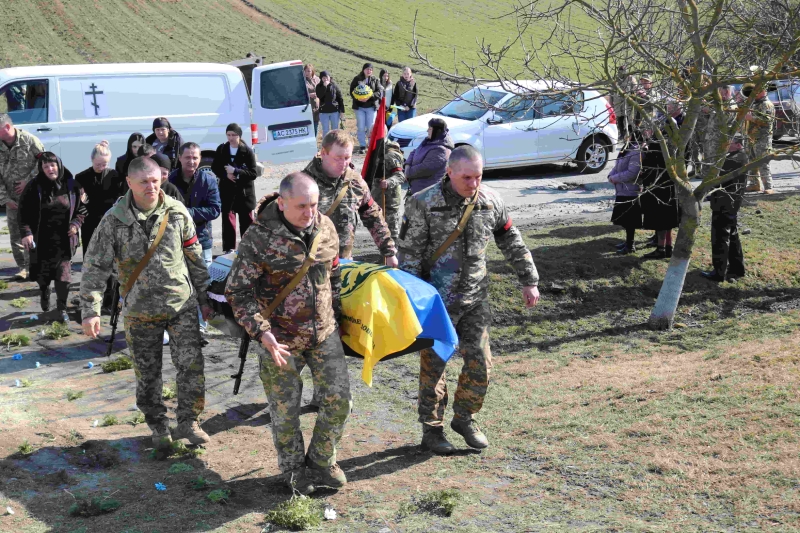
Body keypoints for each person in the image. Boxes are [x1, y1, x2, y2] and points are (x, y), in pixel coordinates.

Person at [398, 145, 540, 454]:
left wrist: (529, 280)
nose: (473, 184)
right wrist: (414, 304)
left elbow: (511, 239)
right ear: (449, 172)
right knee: (434, 367)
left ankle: (465, 418)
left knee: (481, 363)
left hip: (475, 299)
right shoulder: (422, 204)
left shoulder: (490, 202)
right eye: (466, 177)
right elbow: (408, 257)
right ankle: (432, 430)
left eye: (478, 177)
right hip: (435, 303)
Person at [225, 173, 350, 495]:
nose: (310, 213)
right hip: (279, 340)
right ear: (281, 204)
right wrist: (262, 333)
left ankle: (322, 461)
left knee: (339, 402)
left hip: (323, 334)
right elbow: (238, 292)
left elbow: (333, 276)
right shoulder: (259, 238)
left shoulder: (326, 228)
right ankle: (294, 471)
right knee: (285, 412)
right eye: (301, 206)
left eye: (314, 205)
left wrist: (336, 317)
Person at [81, 156, 213, 449]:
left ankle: (189, 423)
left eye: (155, 181)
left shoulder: (177, 213)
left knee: (191, 366)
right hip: (139, 311)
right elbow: (94, 268)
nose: (151, 187)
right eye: (144, 182)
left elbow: (196, 259)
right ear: (129, 183)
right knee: (147, 373)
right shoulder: (114, 220)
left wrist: (205, 299)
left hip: (181, 305)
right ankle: (158, 427)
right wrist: (90, 310)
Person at [302, 130, 397, 264]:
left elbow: (373, 215)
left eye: (347, 158)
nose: (343, 163)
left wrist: (389, 252)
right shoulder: (303, 183)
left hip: (344, 263)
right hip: (312, 266)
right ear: (323, 153)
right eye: (338, 158)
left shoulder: (355, 181)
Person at [19, 152, 86, 322]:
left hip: (64, 241)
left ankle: (61, 309)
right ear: (41, 169)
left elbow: (83, 209)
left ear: (59, 165)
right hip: (41, 241)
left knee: (64, 277)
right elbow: (23, 213)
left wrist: (75, 224)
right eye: (46, 166)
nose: (50, 168)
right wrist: (26, 233)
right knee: (43, 277)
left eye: (53, 165)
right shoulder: (34, 187)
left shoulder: (73, 185)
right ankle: (44, 292)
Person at [75, 142, 124, 311]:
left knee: (110, 260)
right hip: (89, 224)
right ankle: (90, 296)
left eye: (105, 164)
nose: (102, 167)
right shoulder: (81, 177)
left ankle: (109, 297)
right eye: (98, 164)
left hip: (109, 223)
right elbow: (80, 203)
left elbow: (118, 200)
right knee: (91, 259)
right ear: (91, 160)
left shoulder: (114, 176)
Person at [0, 113, 44, 280]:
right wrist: (5, 199)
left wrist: (28, 181)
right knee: (15, 234)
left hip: (32, 197)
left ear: (7, 127)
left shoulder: (29, 141)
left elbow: (46, 163)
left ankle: (37, 265)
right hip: (11, 199)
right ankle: (23, 268)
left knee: (35, 232)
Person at [701, 137, 747, 282]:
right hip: (732, 203)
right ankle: (737, 268)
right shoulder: (742, 156)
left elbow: (717, 180)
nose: (726, 145)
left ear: (738, 144)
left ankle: (719, 272)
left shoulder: (732, 160)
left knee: (720, 238)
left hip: (724, 203)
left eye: (730, 143)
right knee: (733, 235)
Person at [168, 142, 221, 267]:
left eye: (195, 158)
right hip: (176, 240)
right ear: (180, 157)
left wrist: (187, 212)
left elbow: (215, 209)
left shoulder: (208, 180)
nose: (191, 161)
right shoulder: (170, 180)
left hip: (201, 239)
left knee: (205, 282)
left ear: (200, 158)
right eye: (187, 157)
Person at [211, 123, 258, 252]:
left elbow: (253, 173)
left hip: (244, 194)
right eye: (228, 135)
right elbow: (215, 167)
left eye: (234, 135)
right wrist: (226, 175)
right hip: (228, 192)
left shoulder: (247, 151)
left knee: (247, 223)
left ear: (239, 136)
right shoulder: (222, 149)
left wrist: (236, 171)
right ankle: (229, 249)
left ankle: (248, 249)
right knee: (228, 222)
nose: (231, 138)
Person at [640, 141, 678, 259]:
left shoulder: (655, 150)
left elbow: (646, 169)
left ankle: (661, 249)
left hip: (658, 190)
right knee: (668, 221)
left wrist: (644, 152)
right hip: (671, 189)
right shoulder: (673, 148)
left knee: (661, 221)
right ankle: (668, 247)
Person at [608, 137, 643, 255]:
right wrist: (610, 175)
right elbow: (617, 166)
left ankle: (630, 245)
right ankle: (627, 242)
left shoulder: (636, 150)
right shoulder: (626, 148)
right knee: (624, 220)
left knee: (630, 221)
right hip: (621, 190)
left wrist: (615, 178)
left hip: (630, 190)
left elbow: (633, 173)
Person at [404, 118, 454, 195]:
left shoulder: (441, 150)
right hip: (417, 191)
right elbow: (414, 152)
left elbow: (424, 169)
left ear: (437, 131)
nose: (427, 130)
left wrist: (408, 171)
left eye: (430, 129)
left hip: (427, 194)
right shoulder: (429, 140)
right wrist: (408, 165)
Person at [743, 84, 776, 194]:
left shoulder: (766, 104)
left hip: (762, 138)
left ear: (762, 91)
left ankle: (768, 186)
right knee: (751, 162)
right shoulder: (755, 103)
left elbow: (767, 121)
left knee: (763, 163)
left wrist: (751, 117)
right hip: (752, 137)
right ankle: (754, 184)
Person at [370, 140, 406, 241]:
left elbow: (400, 175)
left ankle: (393, 254)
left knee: (391, 231)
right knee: (380, 229)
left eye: (372, 133)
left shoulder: (390, 155)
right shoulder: (376, 151)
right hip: (377, 197)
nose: (369, 136)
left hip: (389, 199)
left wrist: (389, 182)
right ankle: (384, 253)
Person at [350, 63, 382, 154]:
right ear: (363, 70)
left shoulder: (375, 80)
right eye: (367, 69)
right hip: (359, 107)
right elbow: (352, 91)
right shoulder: (357, 79)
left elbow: (379, 92)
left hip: (371, 107)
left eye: (371, 70)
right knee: (361, 126)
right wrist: (359, 98)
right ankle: (362, 145)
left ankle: (371, 145)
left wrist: (370, 96)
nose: (369, 71)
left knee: (370, 127)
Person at [610, 65, 638, 141]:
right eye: (620, 71)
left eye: (623, 71)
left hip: (628, 102)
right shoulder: (615, 80)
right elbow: (611, 92)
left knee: (629, 119)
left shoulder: (631, 79)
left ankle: (629, 135)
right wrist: (611, 104)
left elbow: (635, 87)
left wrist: (632, 94)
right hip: (618, 102)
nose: (622, 73)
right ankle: (622, 134)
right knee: (619, 118)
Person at [316, 71, 345, 138]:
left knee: (335, 130)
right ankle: (326, 146)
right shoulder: (319, 86)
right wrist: (324, 87)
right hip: (323, 111)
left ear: (329, 77)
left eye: (326, 77)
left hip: (334, 111)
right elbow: (319, 95)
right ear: (321, 78)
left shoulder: (334, 85)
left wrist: (342, 111)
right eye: (323, 77)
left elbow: (340, 98)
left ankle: (335, 145)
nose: (325, 79)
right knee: (325, 130)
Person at [304, 64, 321, 137]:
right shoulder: (302, 80)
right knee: (307, 127)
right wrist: (309, 95)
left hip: (317, 106)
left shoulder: (317, 79)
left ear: (312, 71)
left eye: (308, 71)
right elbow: (299, 93)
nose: (307, 73)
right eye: (305, 71)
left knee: (315, 126)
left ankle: (314, 143)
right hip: (307, 106)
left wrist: (318, 94)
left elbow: (322, 90)